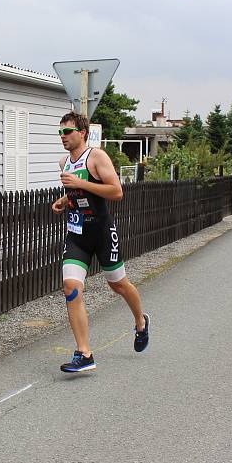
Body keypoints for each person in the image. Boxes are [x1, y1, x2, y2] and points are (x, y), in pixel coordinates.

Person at [51, 111, 149, 373]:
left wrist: (81, 183)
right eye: (60, 132)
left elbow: (116, 191)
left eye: (67, 132)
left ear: (81, 133)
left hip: (103, 233)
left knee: (118, 285)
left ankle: (140, 321)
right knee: (71, 288)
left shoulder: (96, 157)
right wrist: (64, 201)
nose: (63, 137)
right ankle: (84, 354)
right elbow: (77, 192)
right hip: (77, 235)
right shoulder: (64, 162)